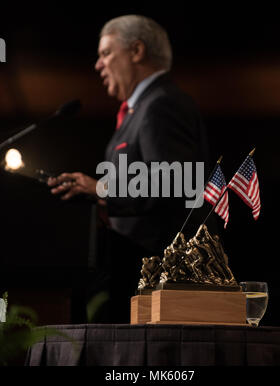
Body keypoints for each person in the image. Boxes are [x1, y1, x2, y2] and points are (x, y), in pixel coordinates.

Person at [48, 15, 214, 323]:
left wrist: (100, 190)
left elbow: (173, 182)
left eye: (106, 53)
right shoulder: (141, 109)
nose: (98, 65)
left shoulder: (162, 104)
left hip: (157, 283)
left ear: (136, 51)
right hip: (131, 271)